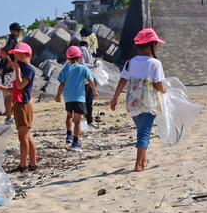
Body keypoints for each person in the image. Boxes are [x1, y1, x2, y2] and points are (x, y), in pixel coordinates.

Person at [110, 28, 168, 172]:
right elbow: (157, 84)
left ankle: (143, 161)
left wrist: (115, 98)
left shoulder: (130, 62)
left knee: (141, 131)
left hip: (133, 103)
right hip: (149, 103)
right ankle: (137, 164)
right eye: (156, 44)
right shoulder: (155, 63)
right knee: (145, 133)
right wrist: (165, 90)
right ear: (152, 45)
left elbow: (122, 81)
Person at [0, 42, 37, 172]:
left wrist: (16, 69)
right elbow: (16, 89)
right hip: (20, 104)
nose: (18, 60)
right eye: (16, 58)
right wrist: (0, 87)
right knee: (27, 136)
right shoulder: (23, 70)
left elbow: (21, 85)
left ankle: (23, 166)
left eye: (21, 57)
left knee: (23, 137)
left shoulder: (28, 69)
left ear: (29, 56)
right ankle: (32, 163)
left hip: (23, 105)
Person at [56, 46, 98, 149]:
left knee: (69, 116)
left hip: (68, 97)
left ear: (68, 58)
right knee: (77, 120)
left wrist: (58, 96)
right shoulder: (83, 68)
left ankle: (69, 135)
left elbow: (61, 84)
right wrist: (94, 91)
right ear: (79, 58)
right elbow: (91, 80)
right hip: (79, 97)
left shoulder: (65, 69)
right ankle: (75, 141)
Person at [0, 23, 22, 125]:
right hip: (9, 72)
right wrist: (10, 61)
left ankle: (10, 115)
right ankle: (8, 117)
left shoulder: (12, 39)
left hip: (10, 72)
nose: (20, 32)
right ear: (13, 31)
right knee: (9, 94)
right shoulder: (12, 40)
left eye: (20, 30)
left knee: (11, 93)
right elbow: (4, 51)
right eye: (18, 30)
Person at [78, 40, 98, 126]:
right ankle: (86, 120)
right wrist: (94, 66)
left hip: (86, 79)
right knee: (86, 101)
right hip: (84, 80)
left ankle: (89, 120)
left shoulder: (84, 48)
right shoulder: (83, 49)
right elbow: (82, 64)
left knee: (88, 101)